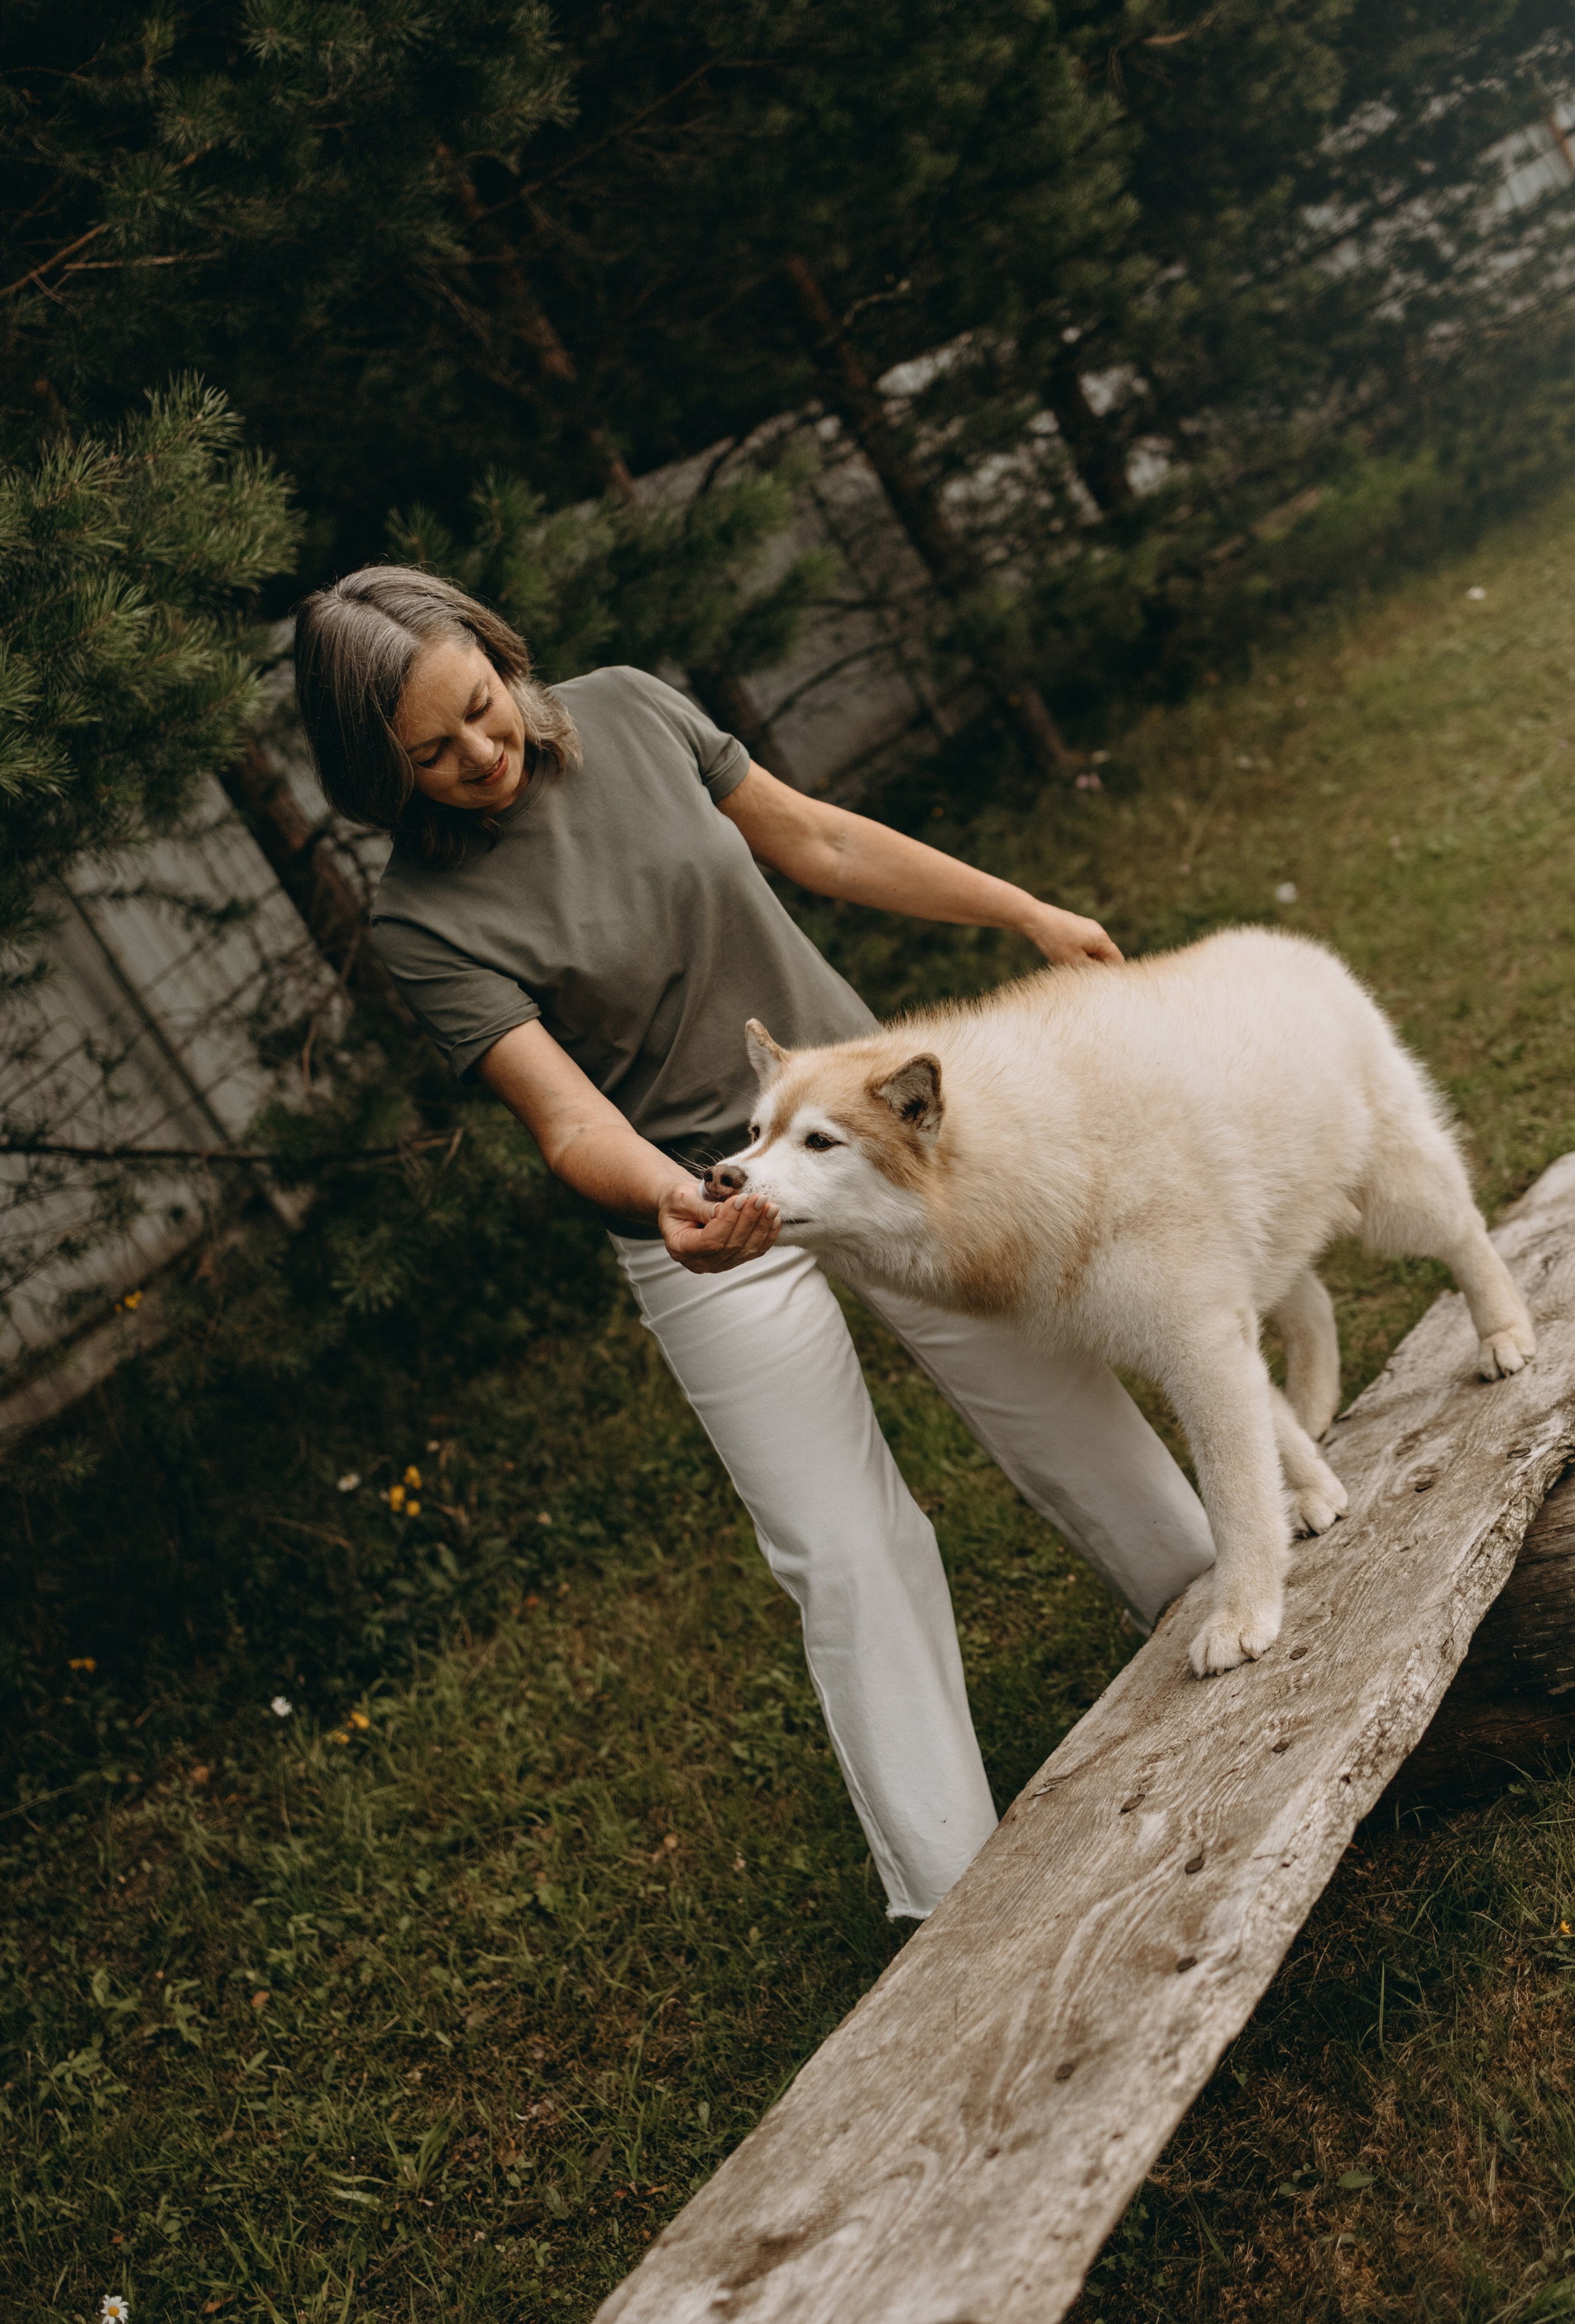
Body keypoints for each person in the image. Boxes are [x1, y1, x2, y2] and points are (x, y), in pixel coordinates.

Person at [293, 567, 1214, 1919]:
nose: (478, 758)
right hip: (695, 1210)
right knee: (842, 1544)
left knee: (1045, 1381)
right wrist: (674, 1197)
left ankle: (1211, 1606)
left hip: (861, 1139)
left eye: (481, 712)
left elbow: (821, 844)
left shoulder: (629, 710)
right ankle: (950, 1899)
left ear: (501, 659)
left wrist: (1016, 908)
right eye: (428, 756)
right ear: (376, 770)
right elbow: (563, 1117)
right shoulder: (420, 922)